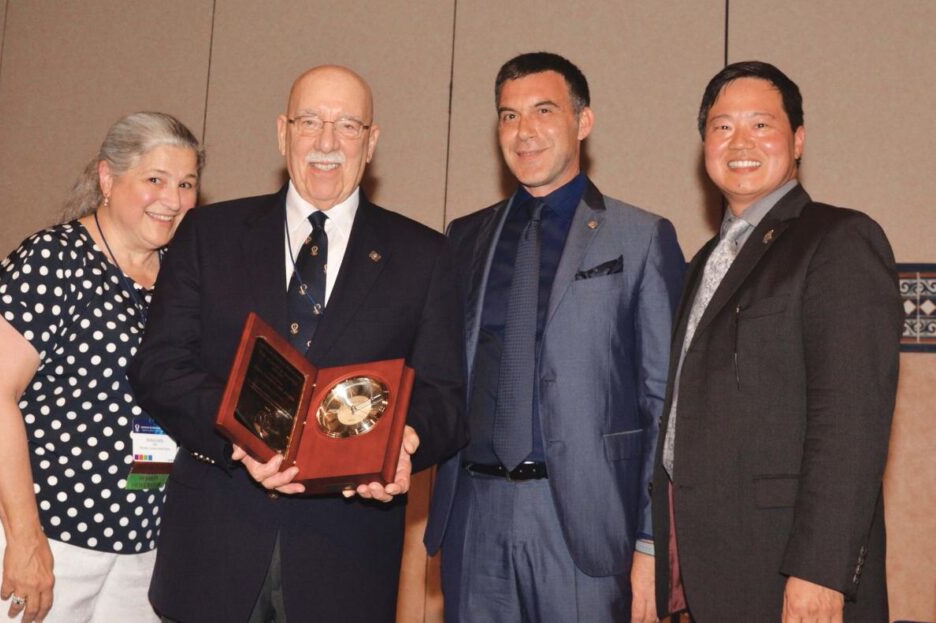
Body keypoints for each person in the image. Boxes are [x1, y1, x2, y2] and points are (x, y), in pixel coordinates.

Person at [128, 65, 467, 623]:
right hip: (212, 550)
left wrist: (406, 444)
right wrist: (240, 439)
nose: (327, 142)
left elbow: (446, 397)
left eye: (347, 125)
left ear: (371, 141)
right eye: (310, 121)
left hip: (347, 562)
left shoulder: (425, 257)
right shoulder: (208, 234)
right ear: (282, 132)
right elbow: (159, 366)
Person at [424, 51, 685, 622]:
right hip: (474, 518)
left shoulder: (640, 238)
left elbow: (667, 405)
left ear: (583, 122)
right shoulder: (464, 239)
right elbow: (438, 376)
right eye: (509, 116)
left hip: (588, 529)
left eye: (543, 110)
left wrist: (650, 543)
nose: (524, 132)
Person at [652, 61, 902, 622]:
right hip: (711, 568)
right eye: (722, 127)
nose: (739, 142)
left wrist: (821, 571)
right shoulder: (700, 265)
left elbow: (851, 424)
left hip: (792, 571)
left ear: (798, 141)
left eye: (761, 125)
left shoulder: (838, 240)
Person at [0, 112, 203, 623]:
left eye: (187, 184)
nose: (172, 199)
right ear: (108, 178)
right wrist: (24, 540)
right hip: (37, 535)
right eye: (155, 179)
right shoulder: (54, 259)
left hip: (138, 550)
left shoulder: (183, 279)